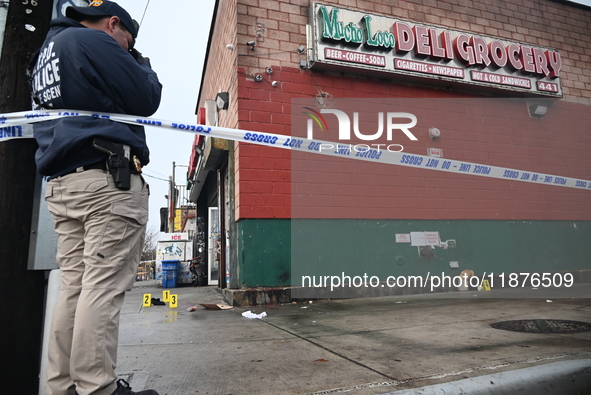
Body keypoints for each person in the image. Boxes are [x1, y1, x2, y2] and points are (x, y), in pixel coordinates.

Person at [29, 1, 162, 394]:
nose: (126, 48)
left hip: (63, 182)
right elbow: (146, 95)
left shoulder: (46, 53)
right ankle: (96, 387)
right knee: (102, 286)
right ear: (114, 24)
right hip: (105, 182)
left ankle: (62, 385)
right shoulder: (94, 40)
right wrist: (139, 60)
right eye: (128, 41)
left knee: (75, 285)